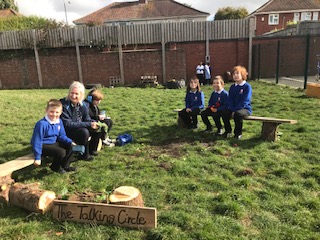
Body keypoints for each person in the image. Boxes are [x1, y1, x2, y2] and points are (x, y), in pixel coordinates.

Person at [31, 99, 76, 174]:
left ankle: (65, 165)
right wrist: (37, 157)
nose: (54, 114)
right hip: (43, 145)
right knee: (61, 152)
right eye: (51, 112)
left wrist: (70, 142)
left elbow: (62, 136)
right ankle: (55, 167)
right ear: (46, 110)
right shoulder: (41, 124)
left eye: (57, 112)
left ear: (61, 112)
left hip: (53, 142)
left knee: (71, 146)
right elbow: (37, 141)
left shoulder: (59, 121)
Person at [60, 81, 101, 161]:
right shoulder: (63, 105)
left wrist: (93, 123)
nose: (73, 96)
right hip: (67, 131)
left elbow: (87, 119)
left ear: (81, 95)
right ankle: (83, 154)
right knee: (84, 132)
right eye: (72, 93)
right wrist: (88, 124)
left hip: (79, 127)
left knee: (98, 128)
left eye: (76, 94)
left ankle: (92, 150)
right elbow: (67, 124)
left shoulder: (84, 105)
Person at [226, 65, 252, 139]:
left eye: (237, 73)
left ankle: (238, 133)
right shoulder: (232, 87)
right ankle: (228, 131)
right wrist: (232, 108)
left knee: (238, 115)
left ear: (242, 75)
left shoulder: (247, 86)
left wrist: (235, 110)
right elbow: (229, 99)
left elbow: (245, 100)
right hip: (233, 108)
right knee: (224, 113)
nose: (235, 75)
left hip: (245, 108)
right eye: (234, 74)